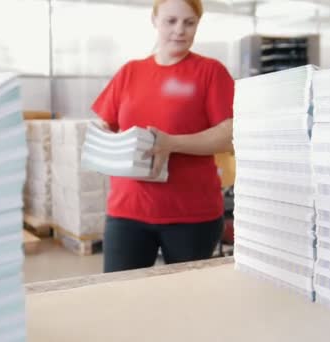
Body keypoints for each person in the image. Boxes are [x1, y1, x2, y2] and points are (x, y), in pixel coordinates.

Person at [91, 0, 234, 273]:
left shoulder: (210, 72)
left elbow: (229, 136)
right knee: (121, 298)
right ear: (154, 20)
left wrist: (172, 143)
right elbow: (103, 125)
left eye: (189, 23)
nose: (180, 30)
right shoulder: (130, 73)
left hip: (191, 215)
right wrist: (104, 145)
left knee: (185, 304)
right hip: (127, 212)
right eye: (171, 21)